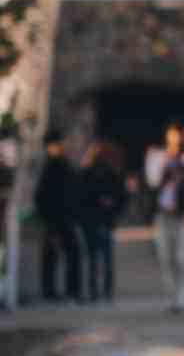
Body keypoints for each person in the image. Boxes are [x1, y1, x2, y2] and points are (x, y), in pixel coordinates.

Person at [146, 123, 184, 311]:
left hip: (183, 213)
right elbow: (151, 181)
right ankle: (174, 294)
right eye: (172, 136)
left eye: (179, 136)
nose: (176, 140)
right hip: (162, 212)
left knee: (183, 256)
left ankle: (183, 297)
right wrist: (166, 168)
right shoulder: (158, 157)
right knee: (165, 256)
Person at [34, 127, 82, 302]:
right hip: (55, 219)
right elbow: (42, 196)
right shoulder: (52, 166)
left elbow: (70, 191)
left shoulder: (62, 164)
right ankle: (52, 291)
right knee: (54, 254)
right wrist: (48, 219)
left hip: (64, 217)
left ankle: (69, 289)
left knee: (70, 253)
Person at [76, 138, 127, 301]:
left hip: (96, 221)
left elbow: (120, 196)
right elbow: (121, 196)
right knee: (102, 258)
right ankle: (102, 291)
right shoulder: (107, 173)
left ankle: (98, 290)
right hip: (99, 220)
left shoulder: (89, 173)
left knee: (95, 258)